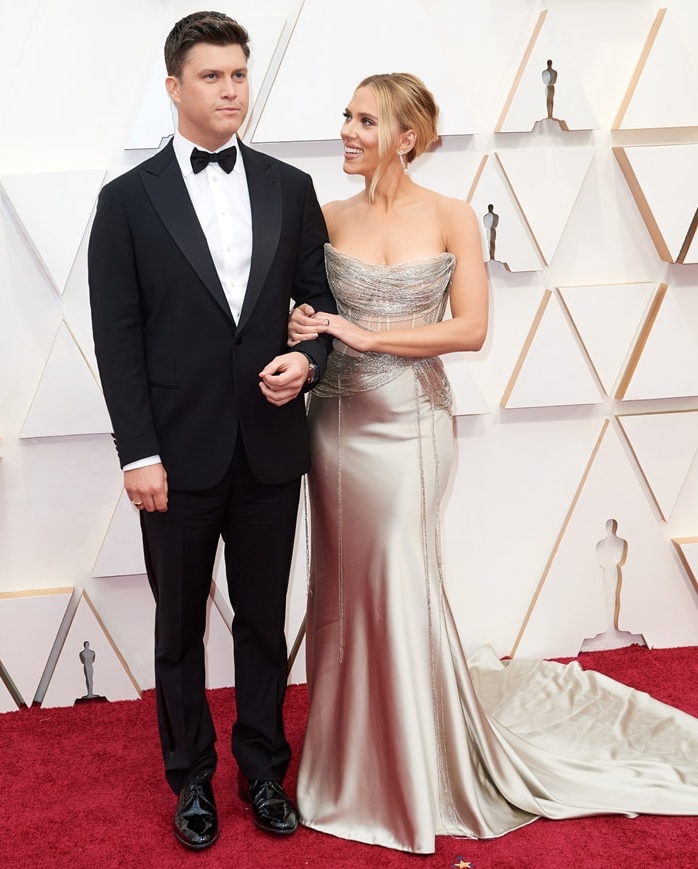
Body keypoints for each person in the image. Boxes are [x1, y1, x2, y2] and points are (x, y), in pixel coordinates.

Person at [288, 73, 698, 854]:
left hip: (410, 425)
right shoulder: (324, 216)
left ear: (407, 136)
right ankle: (347, 764)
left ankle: (415, 768)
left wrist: (371, 337)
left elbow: (470, 328)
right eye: (345, 115)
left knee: (402, 580)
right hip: (335, 423)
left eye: (364, 120)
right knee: (342, 590)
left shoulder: (450, 217)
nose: (346, 130)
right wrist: (304, 321)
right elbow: (307, 315)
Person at [88, 11, 335, 851]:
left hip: (270, 445)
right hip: (175, 455)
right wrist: (139, 451)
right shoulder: (124, 202)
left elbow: (317, 309)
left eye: (238, 74)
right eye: (211, 76)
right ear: (173, 87)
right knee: (178, 626)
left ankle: (264, 770)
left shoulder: (289, 187)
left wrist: (310, 364)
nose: (230, 90)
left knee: (264, 620)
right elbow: (118, 336)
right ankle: (190, 778)